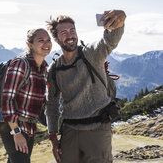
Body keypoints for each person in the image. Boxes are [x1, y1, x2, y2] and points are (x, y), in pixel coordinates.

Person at [45, 10, 126, 163]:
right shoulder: (54, 70)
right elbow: (52, 105)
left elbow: (109, 42)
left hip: (97, 128)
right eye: (63, 33)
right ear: (56, 39)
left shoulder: (91, 54)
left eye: (72, 30)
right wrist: (53, 138)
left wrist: (120, 21)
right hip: (70, 130)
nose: (70, 35)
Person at [0, 28, 52, 163]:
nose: (46, 43)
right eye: (41, 40)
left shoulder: (43, 68)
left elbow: (38, 101)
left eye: (48, 40)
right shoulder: (21, 64)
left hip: (30, 128)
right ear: (29, 45)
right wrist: (16, 132)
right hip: (14, 127)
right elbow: (7, 99)